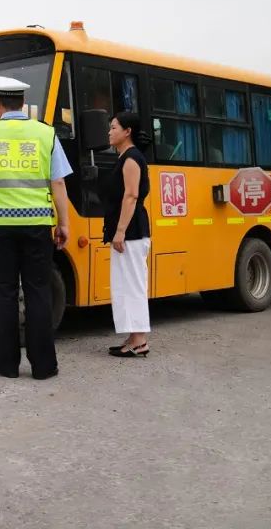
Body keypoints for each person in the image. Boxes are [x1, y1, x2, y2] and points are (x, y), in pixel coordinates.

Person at [0, 76, 72, 380]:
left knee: (4, 294)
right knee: (38, 293)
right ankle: (44, 367)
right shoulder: (46, 133)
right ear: (23, 104)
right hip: (37, 226)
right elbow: (58, 182)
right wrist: (64, 224)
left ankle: (6, 366)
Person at [103, 112, 152, 357]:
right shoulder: (125, 157)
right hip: (126, 231)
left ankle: (140, 340)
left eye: (113, 127)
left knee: (132, 284)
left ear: (127, 131)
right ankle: (133, 337)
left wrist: (120, 231)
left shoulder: (132, 158)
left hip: (131, 232)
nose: (109, 132)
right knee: (124, 284)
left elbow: (131, 196)